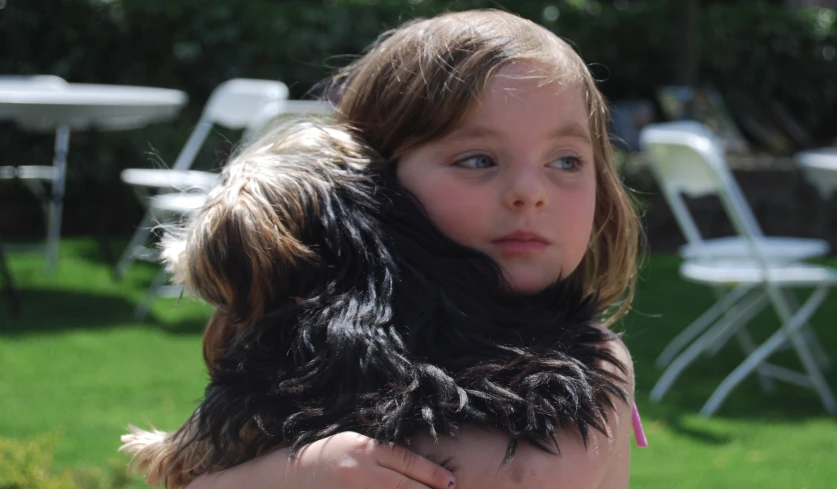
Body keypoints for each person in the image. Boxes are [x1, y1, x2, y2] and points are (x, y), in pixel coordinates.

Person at [121, 8, 646, 489]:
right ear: (379, 182)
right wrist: (301, 474)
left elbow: (515, 475)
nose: (530, 192)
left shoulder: (589, 363)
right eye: (478, 159)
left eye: (567, 161)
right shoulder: (316, 345)